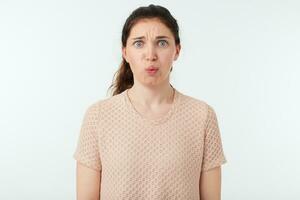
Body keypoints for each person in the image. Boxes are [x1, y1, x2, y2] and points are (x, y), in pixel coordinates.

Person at [73, 4, 227, 200]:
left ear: (177, 51)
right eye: (139, 43)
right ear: (125, 52)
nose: (151, 55)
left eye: (162, 43)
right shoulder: (98, 116)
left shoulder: (202, 116)